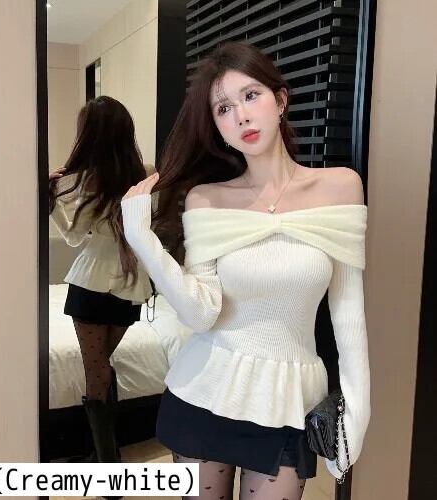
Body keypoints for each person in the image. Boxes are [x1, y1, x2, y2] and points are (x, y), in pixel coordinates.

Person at [120, 42, 370, 500]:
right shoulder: (206, 200)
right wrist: (143, 242)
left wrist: (357, 415)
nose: (241, 116)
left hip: (287, 403)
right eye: (223, 108)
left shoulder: (340, 188)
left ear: (280, 99)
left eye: (251, 95)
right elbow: (202, 313)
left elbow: (348, 315)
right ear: (216, 127)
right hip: (202, 395)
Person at [49, 96, 154, 469]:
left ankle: (106, 464)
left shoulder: (89, 180)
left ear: (90, 135)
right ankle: (107, 454)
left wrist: (53, 202)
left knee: (96, 370)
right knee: (102, 366)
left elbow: (74, 237)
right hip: (130, 286)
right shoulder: (146, 177)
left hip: (91, 285)